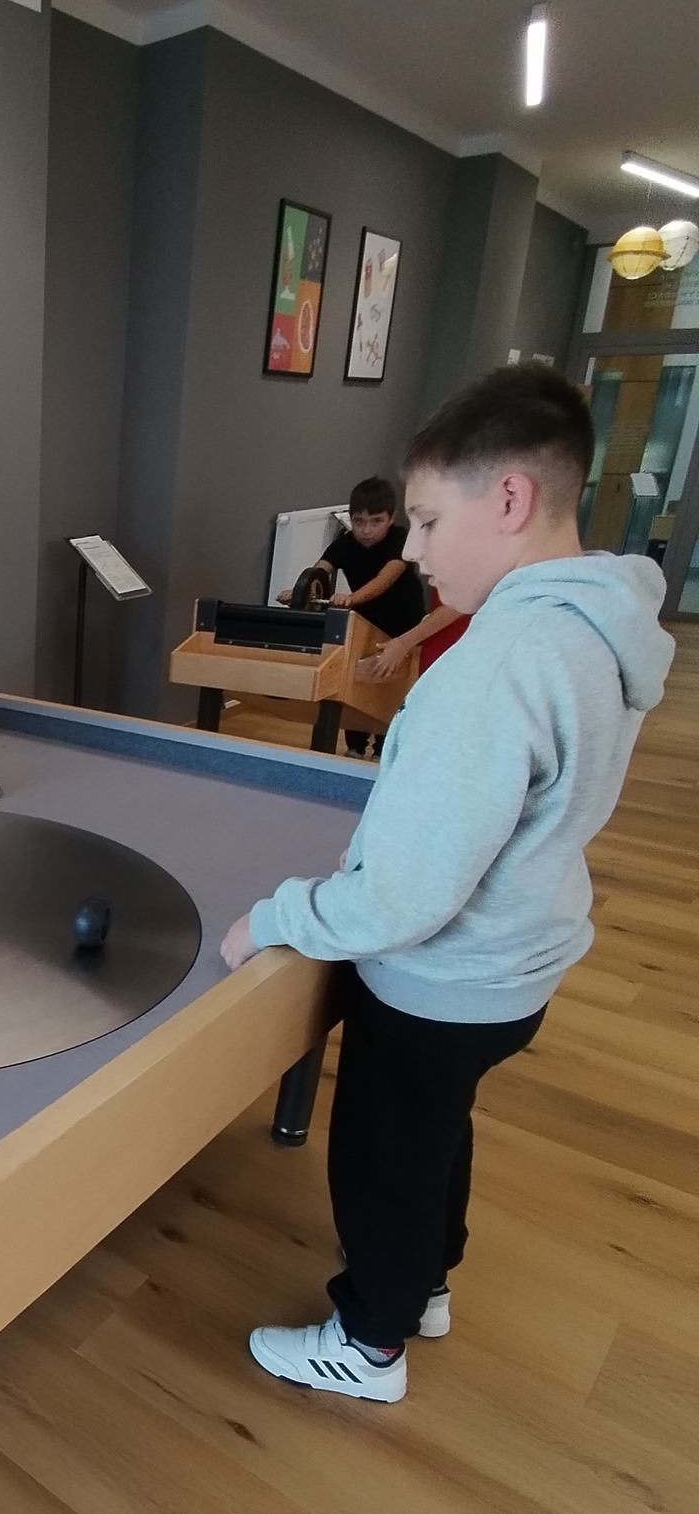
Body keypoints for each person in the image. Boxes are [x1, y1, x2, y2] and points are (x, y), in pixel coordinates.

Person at [219, 363, 672, 1403]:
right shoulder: (594, 627)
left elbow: (406, 898)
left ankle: (368, 1343)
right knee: (432, 1134)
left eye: (426, 521)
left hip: (440, 979)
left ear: (509, 497)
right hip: (515, 963)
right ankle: (421, 1285)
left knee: (382, 1157)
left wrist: (276, 917)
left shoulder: (497, 662)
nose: (414, 552)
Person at [280, 476, 428, 755]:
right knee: (357, 681)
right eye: (359, 521)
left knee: (390, 686)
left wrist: (350, 598)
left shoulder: (400, 540)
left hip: (402, 625)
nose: (367, 529)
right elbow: (318, 572)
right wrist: (298, 592)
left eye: (376, 521)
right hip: (364, 621)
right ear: (351, 518)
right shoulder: (344, 544)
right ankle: (355, 747)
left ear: (392, 518)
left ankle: (383, 749)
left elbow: (384, 579)